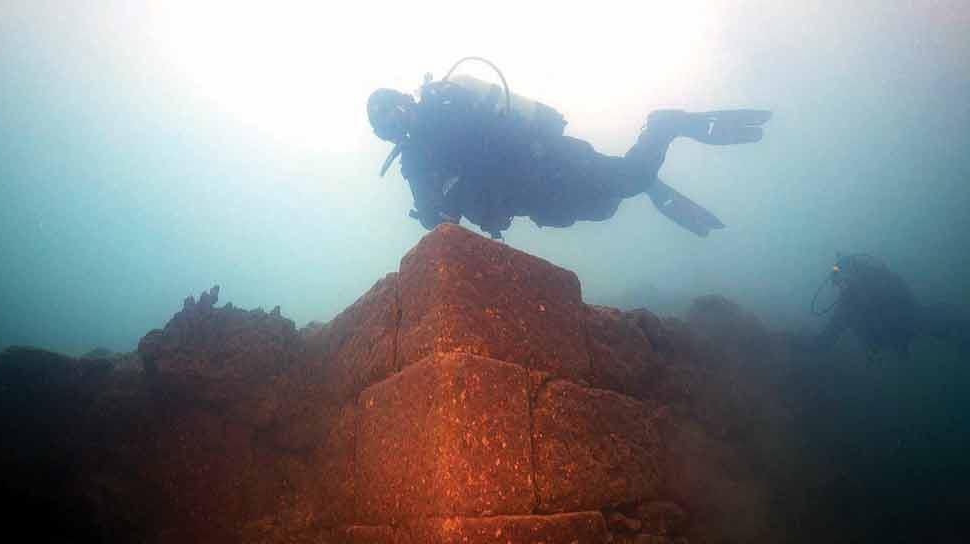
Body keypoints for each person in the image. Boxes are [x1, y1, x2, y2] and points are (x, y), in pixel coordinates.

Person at [367, 58, 772, 239]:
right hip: (535, 198)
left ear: (407, 99)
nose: (396, 125)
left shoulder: (447, 105)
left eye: (394, 113)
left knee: (627, 183)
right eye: (386, 126)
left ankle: (663, 126)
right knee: (606, 208)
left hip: (551, 162)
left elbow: (486, 146)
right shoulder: (416, 160)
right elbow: (438, 219)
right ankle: (644, 180)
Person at [811, 253, 969, 362]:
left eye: (841, 281)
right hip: (905, 327)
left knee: (941, 322)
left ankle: (963, 333)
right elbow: (828, 337)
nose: (841, 287)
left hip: (906, 324)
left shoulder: (869, 289)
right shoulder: (848, 303)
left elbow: (827, 338)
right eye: (838, 282)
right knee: (939, 323)